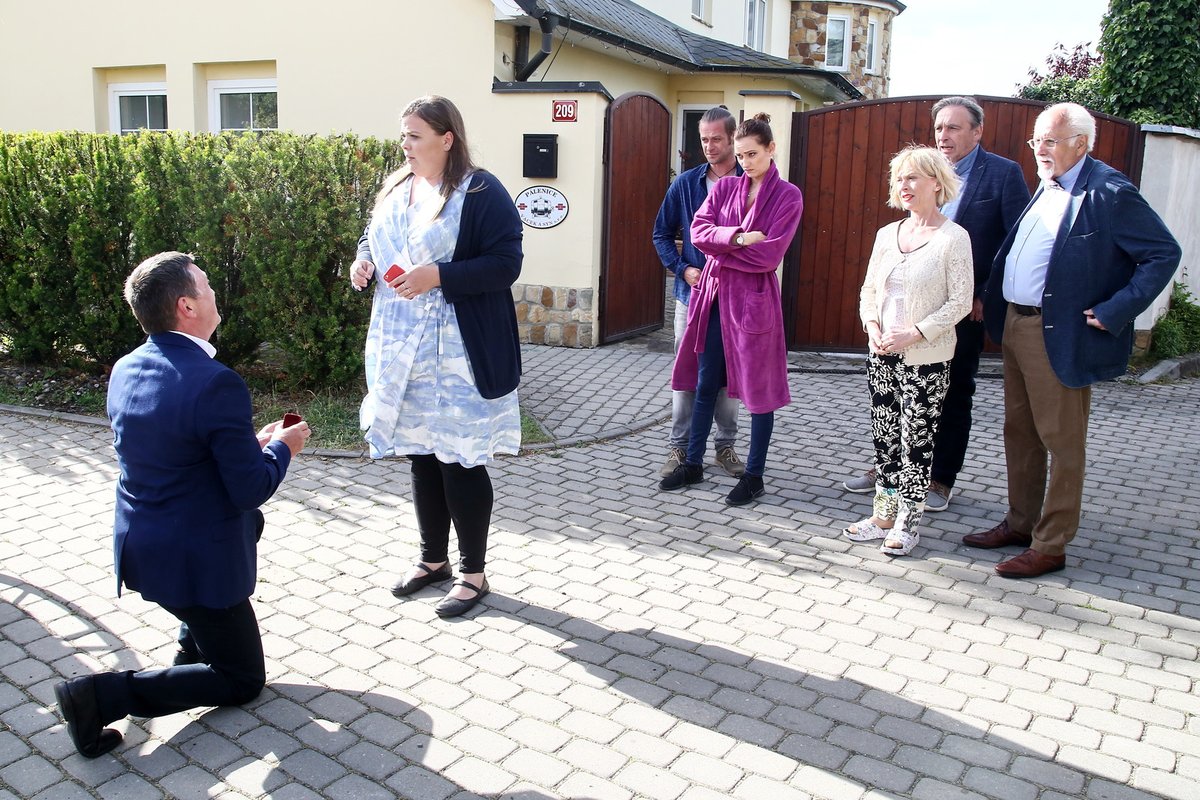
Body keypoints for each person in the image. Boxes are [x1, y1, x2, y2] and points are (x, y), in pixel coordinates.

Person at [53, 251, 310, 759]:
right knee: (241, 679)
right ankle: (99, 695)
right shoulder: (215, 381)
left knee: (220, 592)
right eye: (208, 286)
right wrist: (284, 448)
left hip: (143, 546)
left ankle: (188, 647)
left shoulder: (128, 367)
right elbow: (249, 489)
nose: (216, 293)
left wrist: (249, 444)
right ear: (187, 305)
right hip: (197, 560)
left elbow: (179, 452)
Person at [967, 102, 1180, 578]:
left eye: (1050, 141)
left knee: (1062, 441)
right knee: (1019, 433)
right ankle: (1021, 523)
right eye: (1035, 141)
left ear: (1081, 144)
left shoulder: (1108, 191)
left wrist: (1116, 310)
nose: (1039, 150)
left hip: (1057, 333)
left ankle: (1052, 544)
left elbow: (1163, 253)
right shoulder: (1048, 185)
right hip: (1018, 327)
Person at [350, 95, 522, 616]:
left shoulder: (482, 191)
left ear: (447, 138)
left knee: (460, 460)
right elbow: (374, 237)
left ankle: (473, 574)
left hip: (458, 353)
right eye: (403, 134)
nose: (404, 144)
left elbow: (505, 263)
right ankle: (433, 561)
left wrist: (440, 275)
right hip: (402, 346)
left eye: (415, 135)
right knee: (422, 454)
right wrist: (362, 262)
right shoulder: (398, 187)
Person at [842, 96, 1030, 511]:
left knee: (953, 392)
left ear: (977, 132)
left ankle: (940, 479)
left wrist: (984, 294)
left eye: (955, 128)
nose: (945, 135)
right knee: (896, 399)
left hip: (963, 307)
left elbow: (1014, 242)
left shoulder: (1002, 174)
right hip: (909, 310)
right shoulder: (922, 174)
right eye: (940, 128)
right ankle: (890, 472)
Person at [660, 113, 803, 507]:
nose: (745, 163)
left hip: (753, 301)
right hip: (713, 297)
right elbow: (698, 234)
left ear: (772, 149)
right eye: (740, 156)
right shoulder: (724, 189)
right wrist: (738, 237)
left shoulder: (788, 196)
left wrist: (725, 250)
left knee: (759, 390)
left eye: (753, 154)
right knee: (706, 381)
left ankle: (754, 476)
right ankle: (692, 462)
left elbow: (769, 255)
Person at [843, 146, 973, 556]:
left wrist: (913, 334)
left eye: (913, 177)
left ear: (937, 183)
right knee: (885, 438)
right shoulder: (887, 234)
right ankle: (882, 514)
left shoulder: (954, 238)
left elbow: (961, 302)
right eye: (899, 178)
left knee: (916, 438)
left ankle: (907, 521)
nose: (904, 185)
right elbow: (869, 290)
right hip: (881, 352)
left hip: (926, 357)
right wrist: (873, 326)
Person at [652, 107, 745, 479]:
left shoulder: (751, 182)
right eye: (704, 139)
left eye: (716, 139)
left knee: (727, 378)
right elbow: (660, 233)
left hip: (735, 300)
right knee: (686, 374)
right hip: (690, 298)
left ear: (733, 139)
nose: (708, 146)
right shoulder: (686, 184)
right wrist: (683, 268)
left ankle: (725, 447)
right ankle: (680, 447)